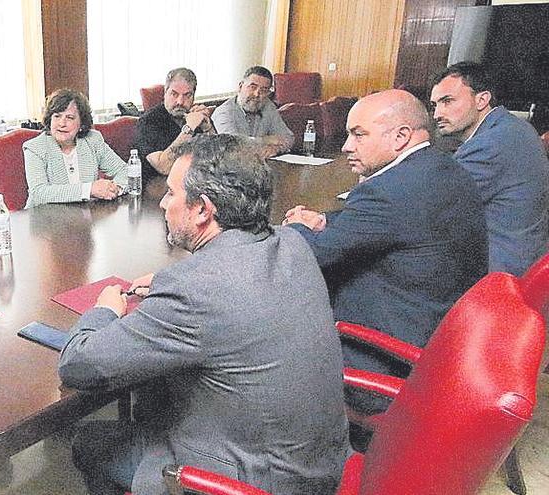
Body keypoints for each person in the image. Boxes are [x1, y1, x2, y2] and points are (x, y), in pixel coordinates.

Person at [59, 134, 350, 495]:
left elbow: (78, 366)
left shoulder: (193, 290)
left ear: (202, 209)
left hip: (259, 480)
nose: (164, 203)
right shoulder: (292, 241)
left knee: (90, 442)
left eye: (170, 193)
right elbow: (225, 285)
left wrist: (103, 311)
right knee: (157, 392)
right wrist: (169, 283)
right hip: (322, 461)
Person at [284, 89, 487, 384]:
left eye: (358, 135)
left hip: (385, 354)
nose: (346, 146)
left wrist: (297, 226)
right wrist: (324, 220)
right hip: (439, 335)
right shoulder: (442, 167)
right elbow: (379, 222)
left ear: (401, 136)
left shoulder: (388, 191)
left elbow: (313, 257)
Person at [430, 61, 549, 276]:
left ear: (482, 100)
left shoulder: (491, 143)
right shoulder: (513, 127)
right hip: (526, 261)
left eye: (447, 101)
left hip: (498, 276)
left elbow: (431, 206)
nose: (437, 113)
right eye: (435, 105)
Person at [23, 89, 128, 208]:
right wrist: (89, 190)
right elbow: (39, 193)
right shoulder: (35, 148)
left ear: (82, 124)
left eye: (70, 117)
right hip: (45, 221)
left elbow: (125, 171)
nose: (62, 123)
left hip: (84, 218)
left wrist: (114, 189)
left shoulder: (92, 140)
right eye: (57, 116)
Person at [134, 67, 216, 183]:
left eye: (187, 95)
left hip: (194, 183)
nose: (180, 102)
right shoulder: (148, 122)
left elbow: (220, 160)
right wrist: (189, 129)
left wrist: (208, 128)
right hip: (157, 191)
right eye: (174, 94)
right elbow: (163, 167)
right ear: (165, 93)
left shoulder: (195, 116)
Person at [212, 65, 294, 157]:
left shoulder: (268, 106)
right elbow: (233, 147)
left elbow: (289, 138)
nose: (257, 94)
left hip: (258, 166)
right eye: (252, 87)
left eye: (263, 90)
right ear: (240, 86)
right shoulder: (224, 112)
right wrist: (265, 140)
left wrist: (276, 148)